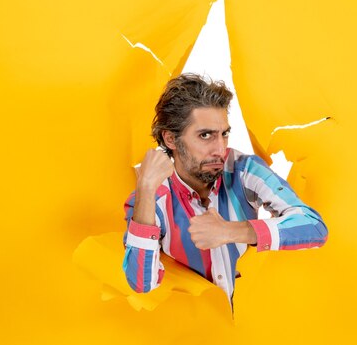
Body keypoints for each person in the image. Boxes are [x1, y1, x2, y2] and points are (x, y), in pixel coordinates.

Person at [122, 74, 328, 305]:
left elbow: (314, 226)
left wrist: (231, 231)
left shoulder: (244, 169)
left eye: (224, 134)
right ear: (170, 139)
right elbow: (141, 283)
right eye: (205, 135)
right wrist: (147, 190)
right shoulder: (151, 199)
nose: (220, 149)